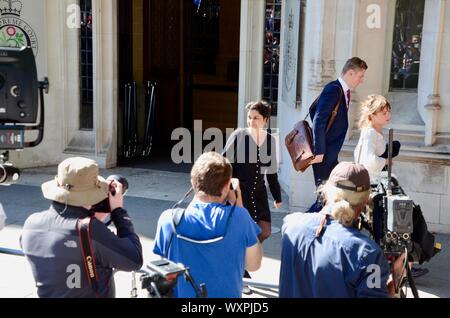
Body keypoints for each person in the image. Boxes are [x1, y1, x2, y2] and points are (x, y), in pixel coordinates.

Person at [280, 162, 406, 298]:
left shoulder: (290, 226)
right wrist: (396, 281)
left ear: (326, 192)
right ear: (365, 203)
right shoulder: (367, 252)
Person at [21, 157, 143, 298]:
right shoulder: (91, 230)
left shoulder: (31, 223)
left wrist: (90, 217)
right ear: (91, 193)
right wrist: (118, 212)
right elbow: (134, 259)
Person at [153, 152, 263, 298]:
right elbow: (253, 265)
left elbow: (162, 267)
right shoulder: (239, 217)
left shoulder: (169, 220)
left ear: (193, 183)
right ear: (225, 187)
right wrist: (238, 201)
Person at [354, 95, 431, 279]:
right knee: (407, 219)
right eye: (383, 112)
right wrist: (386, 160)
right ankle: (406, 265)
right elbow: (368, 162)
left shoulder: (374, 133)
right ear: (372, 115)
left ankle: (408, 263)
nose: (388, 114)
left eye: (388, 111)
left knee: (407, 219)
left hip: (380, 186)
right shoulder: (369, 133)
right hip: (375, 190)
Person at [308, 57, 368, 212]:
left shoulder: (341, 91)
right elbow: (318, 119)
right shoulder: (334, 89)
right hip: (324, 154)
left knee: (330, 196)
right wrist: (319, 151)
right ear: (350, 73)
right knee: (324, 199)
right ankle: (300, 228)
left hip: (330, 154)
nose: (362, 80)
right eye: (360, 76)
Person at [224, 101, 282, 243]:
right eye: (249, 117)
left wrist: (277, 196)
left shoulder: (270, 140)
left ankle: (247, 256)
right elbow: (224, 163)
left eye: (256, 118)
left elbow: (272, 172)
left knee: (265, 230)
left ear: (265, 120)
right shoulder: (239, 135)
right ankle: (243, 260)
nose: (251, 121)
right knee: (242, 232)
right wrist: (226, 190)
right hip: (240, 193)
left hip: (259, 193)